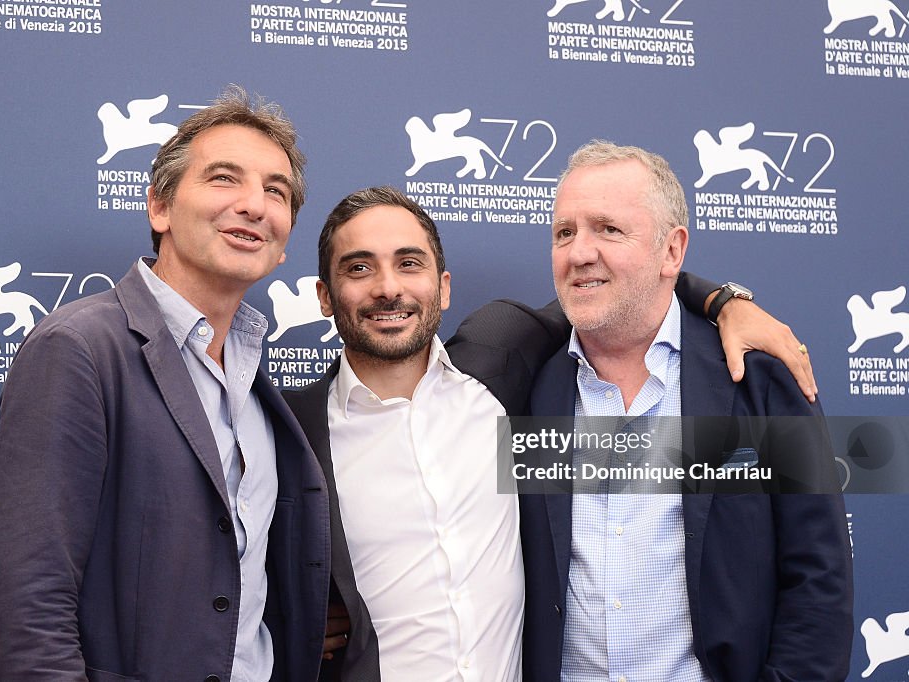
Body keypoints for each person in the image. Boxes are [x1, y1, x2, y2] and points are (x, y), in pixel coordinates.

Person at [284, 186, 822, 681]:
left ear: (443, 288)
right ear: (325, 296)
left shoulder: (496, 363)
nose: (388, 288)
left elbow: (613, 285)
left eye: (409, 264)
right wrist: (298, 620)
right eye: (358, 268)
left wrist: (725, 300)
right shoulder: (293, 432)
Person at [0, 87, 330, 681]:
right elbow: (30, 610)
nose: (254, 204)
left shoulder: (258, 387)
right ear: (159, 208)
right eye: (224, 178)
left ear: (284, 242)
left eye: (276, 191)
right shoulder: (78, 350)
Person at [520, 141, 853, 681]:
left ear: (672, 251)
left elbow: (818, 579)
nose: (579, 252)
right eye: (564, 232)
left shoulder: (759, 379)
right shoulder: (524, 380)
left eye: (608, 229)